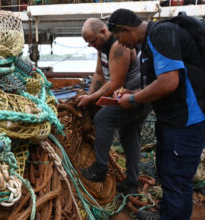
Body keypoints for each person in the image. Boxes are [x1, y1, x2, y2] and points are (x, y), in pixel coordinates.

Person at [108, 9, 205, 220]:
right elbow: (161, 81)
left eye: (119, 38)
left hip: (189, 119)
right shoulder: (150, 41)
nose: (121, 45)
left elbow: (168, 82)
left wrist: (132, 100)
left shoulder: (160, 35)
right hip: (174, 119)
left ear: (126, 29)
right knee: (166, 168)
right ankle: (167, 212)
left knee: (177, 174)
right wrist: (133, 92)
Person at [77, 18, 150, 195]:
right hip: (128, 98)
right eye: (89, 43)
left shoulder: (119, 46)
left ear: (103, 31)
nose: (92, 45)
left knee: (102, 119)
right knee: (129, 136)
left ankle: (100, 169)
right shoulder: (101, 48)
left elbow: (115, 84)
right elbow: (99, 75)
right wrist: (89, 95)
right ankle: (132, 183)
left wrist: (91, 99)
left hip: (136, 97)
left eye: (93, 40)